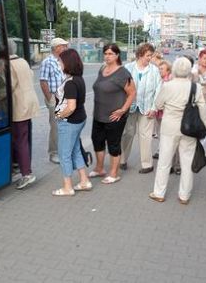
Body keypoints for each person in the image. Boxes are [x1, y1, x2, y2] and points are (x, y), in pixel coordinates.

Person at [149, 57, 206, 204]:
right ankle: (184, 196)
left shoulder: (168, 86)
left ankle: (159, 193)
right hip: (189, 128)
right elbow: (203, 109)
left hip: (169, 127)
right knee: (187, 162)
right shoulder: (196, 87)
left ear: (174, 69)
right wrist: (203, 129)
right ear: (189, 70)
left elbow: (158, 104)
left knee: (164, 161)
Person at [89, 44, 136, 184]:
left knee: (113, 144)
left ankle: (114, 173)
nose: (107, 56)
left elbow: (132, 92)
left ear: (117, 55)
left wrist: (123, 110)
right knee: (97, 141)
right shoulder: (102, 69)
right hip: (98, 115)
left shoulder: (123, 73)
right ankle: (99, 168)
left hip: (114, 117)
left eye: (110, 54)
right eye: (105, 53)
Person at [52, 49, 91, 196]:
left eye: (61, 61)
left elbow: (71, 107)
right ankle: (84, 180)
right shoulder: (78, 79)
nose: (59, 63)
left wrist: (59, 116)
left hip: (70, 122)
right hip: (80, 120)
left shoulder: (70, 83)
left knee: (64, 154)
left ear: (67, 63)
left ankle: (67, 187)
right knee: (75, 150)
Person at [120, 43, 162, 174]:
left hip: (147, 108)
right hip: (130, 107)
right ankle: (122, 160)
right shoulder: (127, 68)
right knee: (128, 133)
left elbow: (159, 90)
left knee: (146, 136)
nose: (150, 58)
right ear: (140, 55)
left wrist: (154, 107)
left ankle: (147, 164)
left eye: (151, 55)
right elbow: (121, 88)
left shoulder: (154, 70)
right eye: (148, 55)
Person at [8, 39, 39, 190]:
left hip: (19, 105)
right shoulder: (23, 61)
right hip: (30, 102)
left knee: (19, 140)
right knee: (24, 138)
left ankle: (26, 173)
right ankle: (18, 166)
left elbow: (9, 86)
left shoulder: (9, 65)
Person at [39, 38, 67, 164]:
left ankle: (62, 151)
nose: (65, 48)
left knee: (64, 125)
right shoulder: (48, 62)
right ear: (56, 48)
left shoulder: (62, 61)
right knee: (55, 126)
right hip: (54, 99)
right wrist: (50, 98)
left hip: (64, 98)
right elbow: (43, 81)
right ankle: (54, 153)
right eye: (63, 46)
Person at [152, 60, 173, 160]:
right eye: (159, 69)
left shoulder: (169, 81)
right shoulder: (158, 80)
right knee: (160, 131)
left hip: (166, 111)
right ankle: (160, 149)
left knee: (165, 132)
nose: (160, 71)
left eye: (162, 69)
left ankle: (164, 151)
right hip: (158, 110)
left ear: (168, 71)